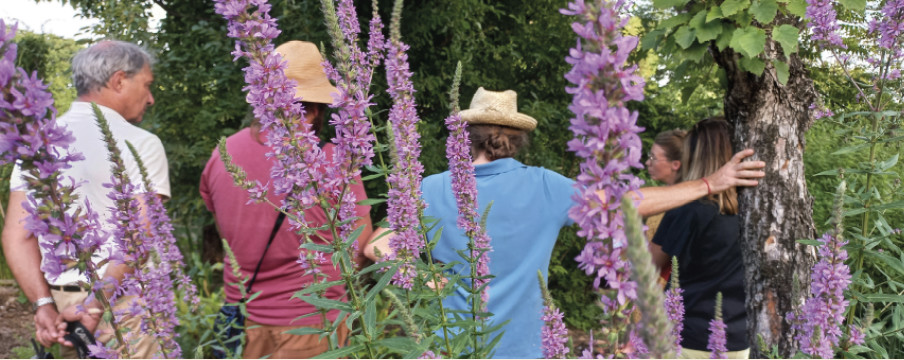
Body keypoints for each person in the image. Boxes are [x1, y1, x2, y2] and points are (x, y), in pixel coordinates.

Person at [364, 88, 766, 358]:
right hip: (522, 347)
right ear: (517, 139)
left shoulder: (429, 188)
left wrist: (428, 281)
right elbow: (628, 202)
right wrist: (712, 182)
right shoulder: (545, 186)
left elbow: (375, 246)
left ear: (465, 136)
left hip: (446, 345)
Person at [199, 40, 374, 359]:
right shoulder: (333, 160)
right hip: (314, 323)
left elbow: (225, 228)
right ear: (315, 108)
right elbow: (359, 240)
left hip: (244, 322)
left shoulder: (221, 155)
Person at [2, 40, 167, 358]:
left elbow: (16, 235)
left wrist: (43, 305)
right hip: (124, 309)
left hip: (63, 314)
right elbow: (137, 238)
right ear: (120, 80)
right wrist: (93, 309)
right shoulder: (142, 144)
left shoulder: (33, 142)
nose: (151, 98)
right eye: (146, 85)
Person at [650, 117, 750, 358]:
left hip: (689, 338)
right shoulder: (754, 210)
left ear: (695, 157)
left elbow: (647, 265)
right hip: (740, 339)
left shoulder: (688, 210)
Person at [644, 129, 686, 284]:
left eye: (653, 157)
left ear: (675, 164)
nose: (648, 162)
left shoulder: (679, 206)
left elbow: (652, 262)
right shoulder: (667, 200)